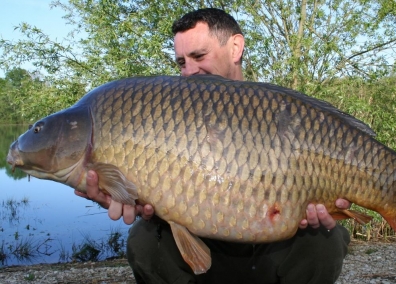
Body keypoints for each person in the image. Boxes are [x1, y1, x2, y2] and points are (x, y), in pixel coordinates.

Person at [75, 8, 351, 283]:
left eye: (199, 56)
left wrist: (328, 202)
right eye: (181, 62)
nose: (190, 70)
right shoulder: (168, 115)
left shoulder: (278, 111)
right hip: (204, 245)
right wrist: (123, 194)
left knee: (324, 238)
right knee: (145, 239)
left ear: (235, 48)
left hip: (275, 247)